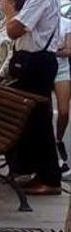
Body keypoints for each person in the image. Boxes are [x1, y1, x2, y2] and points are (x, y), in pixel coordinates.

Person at [5, 0, 62, 195]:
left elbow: (16, 29)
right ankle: (34, 170)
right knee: (29, 119)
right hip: (31, 60)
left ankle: (49, 178)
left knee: (39, 120)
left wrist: (11, 21)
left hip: (37, 62)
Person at [54, 13, 71, 175]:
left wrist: (53, 52)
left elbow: (69, 50)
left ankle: (58, 139)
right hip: (43, 70)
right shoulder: (41, 21)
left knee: (64, 111)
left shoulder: (66, 23)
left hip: (61, 70)